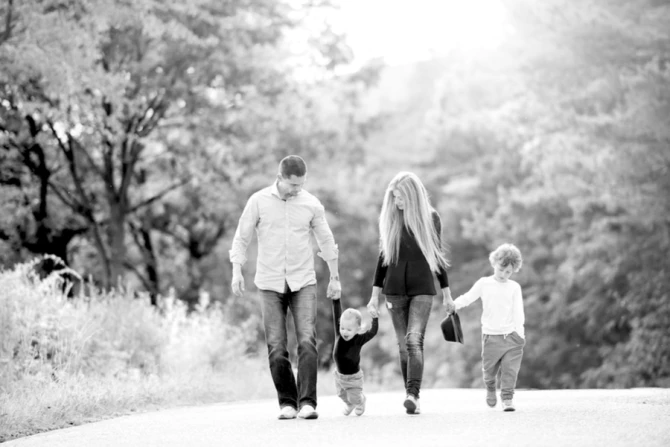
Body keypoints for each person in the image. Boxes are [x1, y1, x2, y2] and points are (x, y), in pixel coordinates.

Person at [229, 155, 341, 420]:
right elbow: (242, 237)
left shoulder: (311, 204)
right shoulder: (258, 201)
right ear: (280, 178)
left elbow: (326, 240)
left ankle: (308, 403)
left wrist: (335, 277)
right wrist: (236, 271)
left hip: (303, 281)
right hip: (269, 283)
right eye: (293, 185)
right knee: (277, 346)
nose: (297, 189)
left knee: (307, 341)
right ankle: (287, 403)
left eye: (301, 184)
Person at [367, 171, 454, 415]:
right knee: (404, 346)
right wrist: (374, 296)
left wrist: (447, 294)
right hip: (394, 291)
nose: (397, 202)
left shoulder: (431, 219)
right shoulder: (391, 218)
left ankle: (413, 395)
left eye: (401, 197)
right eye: (394, 197)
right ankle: (410, 395)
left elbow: (437, 258)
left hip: (422, 289)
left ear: (413, 196)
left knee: (414, 340)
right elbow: (383, 259)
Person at [452, 243, 525, 412]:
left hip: (512, 337)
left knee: (510, 371)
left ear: (513, 271)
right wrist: (454, 305)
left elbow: (518, 312)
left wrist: (520, 334)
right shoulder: (484, 284)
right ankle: (491, 388)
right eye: (501, 269)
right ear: (494, 263)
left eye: (508, 272)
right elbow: (468, 297)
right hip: (491, 337)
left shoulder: (514, 287)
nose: (503, 274)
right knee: (489, 371)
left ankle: (507, 399)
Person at [331, 296, 379, 416]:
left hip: (353, 378)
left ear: (357, 329)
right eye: (342, 328)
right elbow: (337, 314)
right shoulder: (339, 335)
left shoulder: (359, 339)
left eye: (349, 329)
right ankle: (349, 404)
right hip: (339, 376)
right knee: (341, 394)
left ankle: (360, 401)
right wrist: (336, 300)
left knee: (354, 397)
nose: (344, 332)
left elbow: (372, 332)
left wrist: (375, 318)